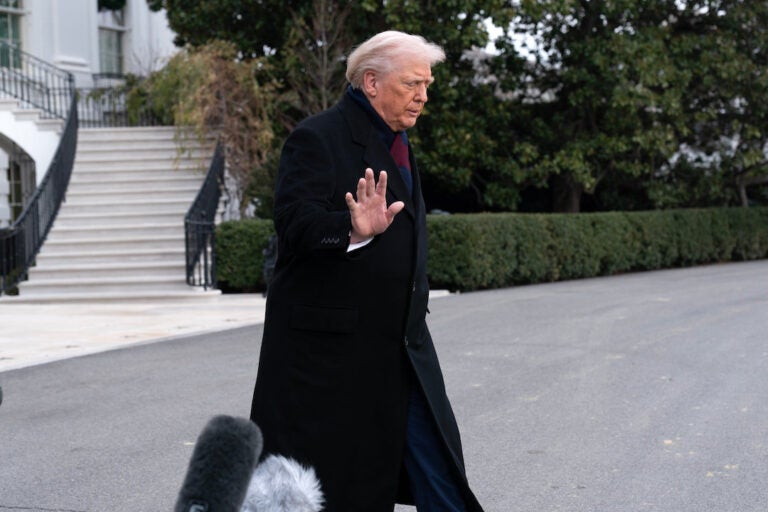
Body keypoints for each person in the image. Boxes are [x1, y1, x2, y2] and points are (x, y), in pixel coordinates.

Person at [250, 31, 485, 512]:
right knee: (338, 490)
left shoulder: (397, 140)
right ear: (372, 82)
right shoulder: (317, 137)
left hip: (401, 351)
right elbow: (294, 225)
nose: (423, 96)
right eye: (412, 84)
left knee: (440, 475)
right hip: (331, 363)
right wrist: (352, 228)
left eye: (427, 84)